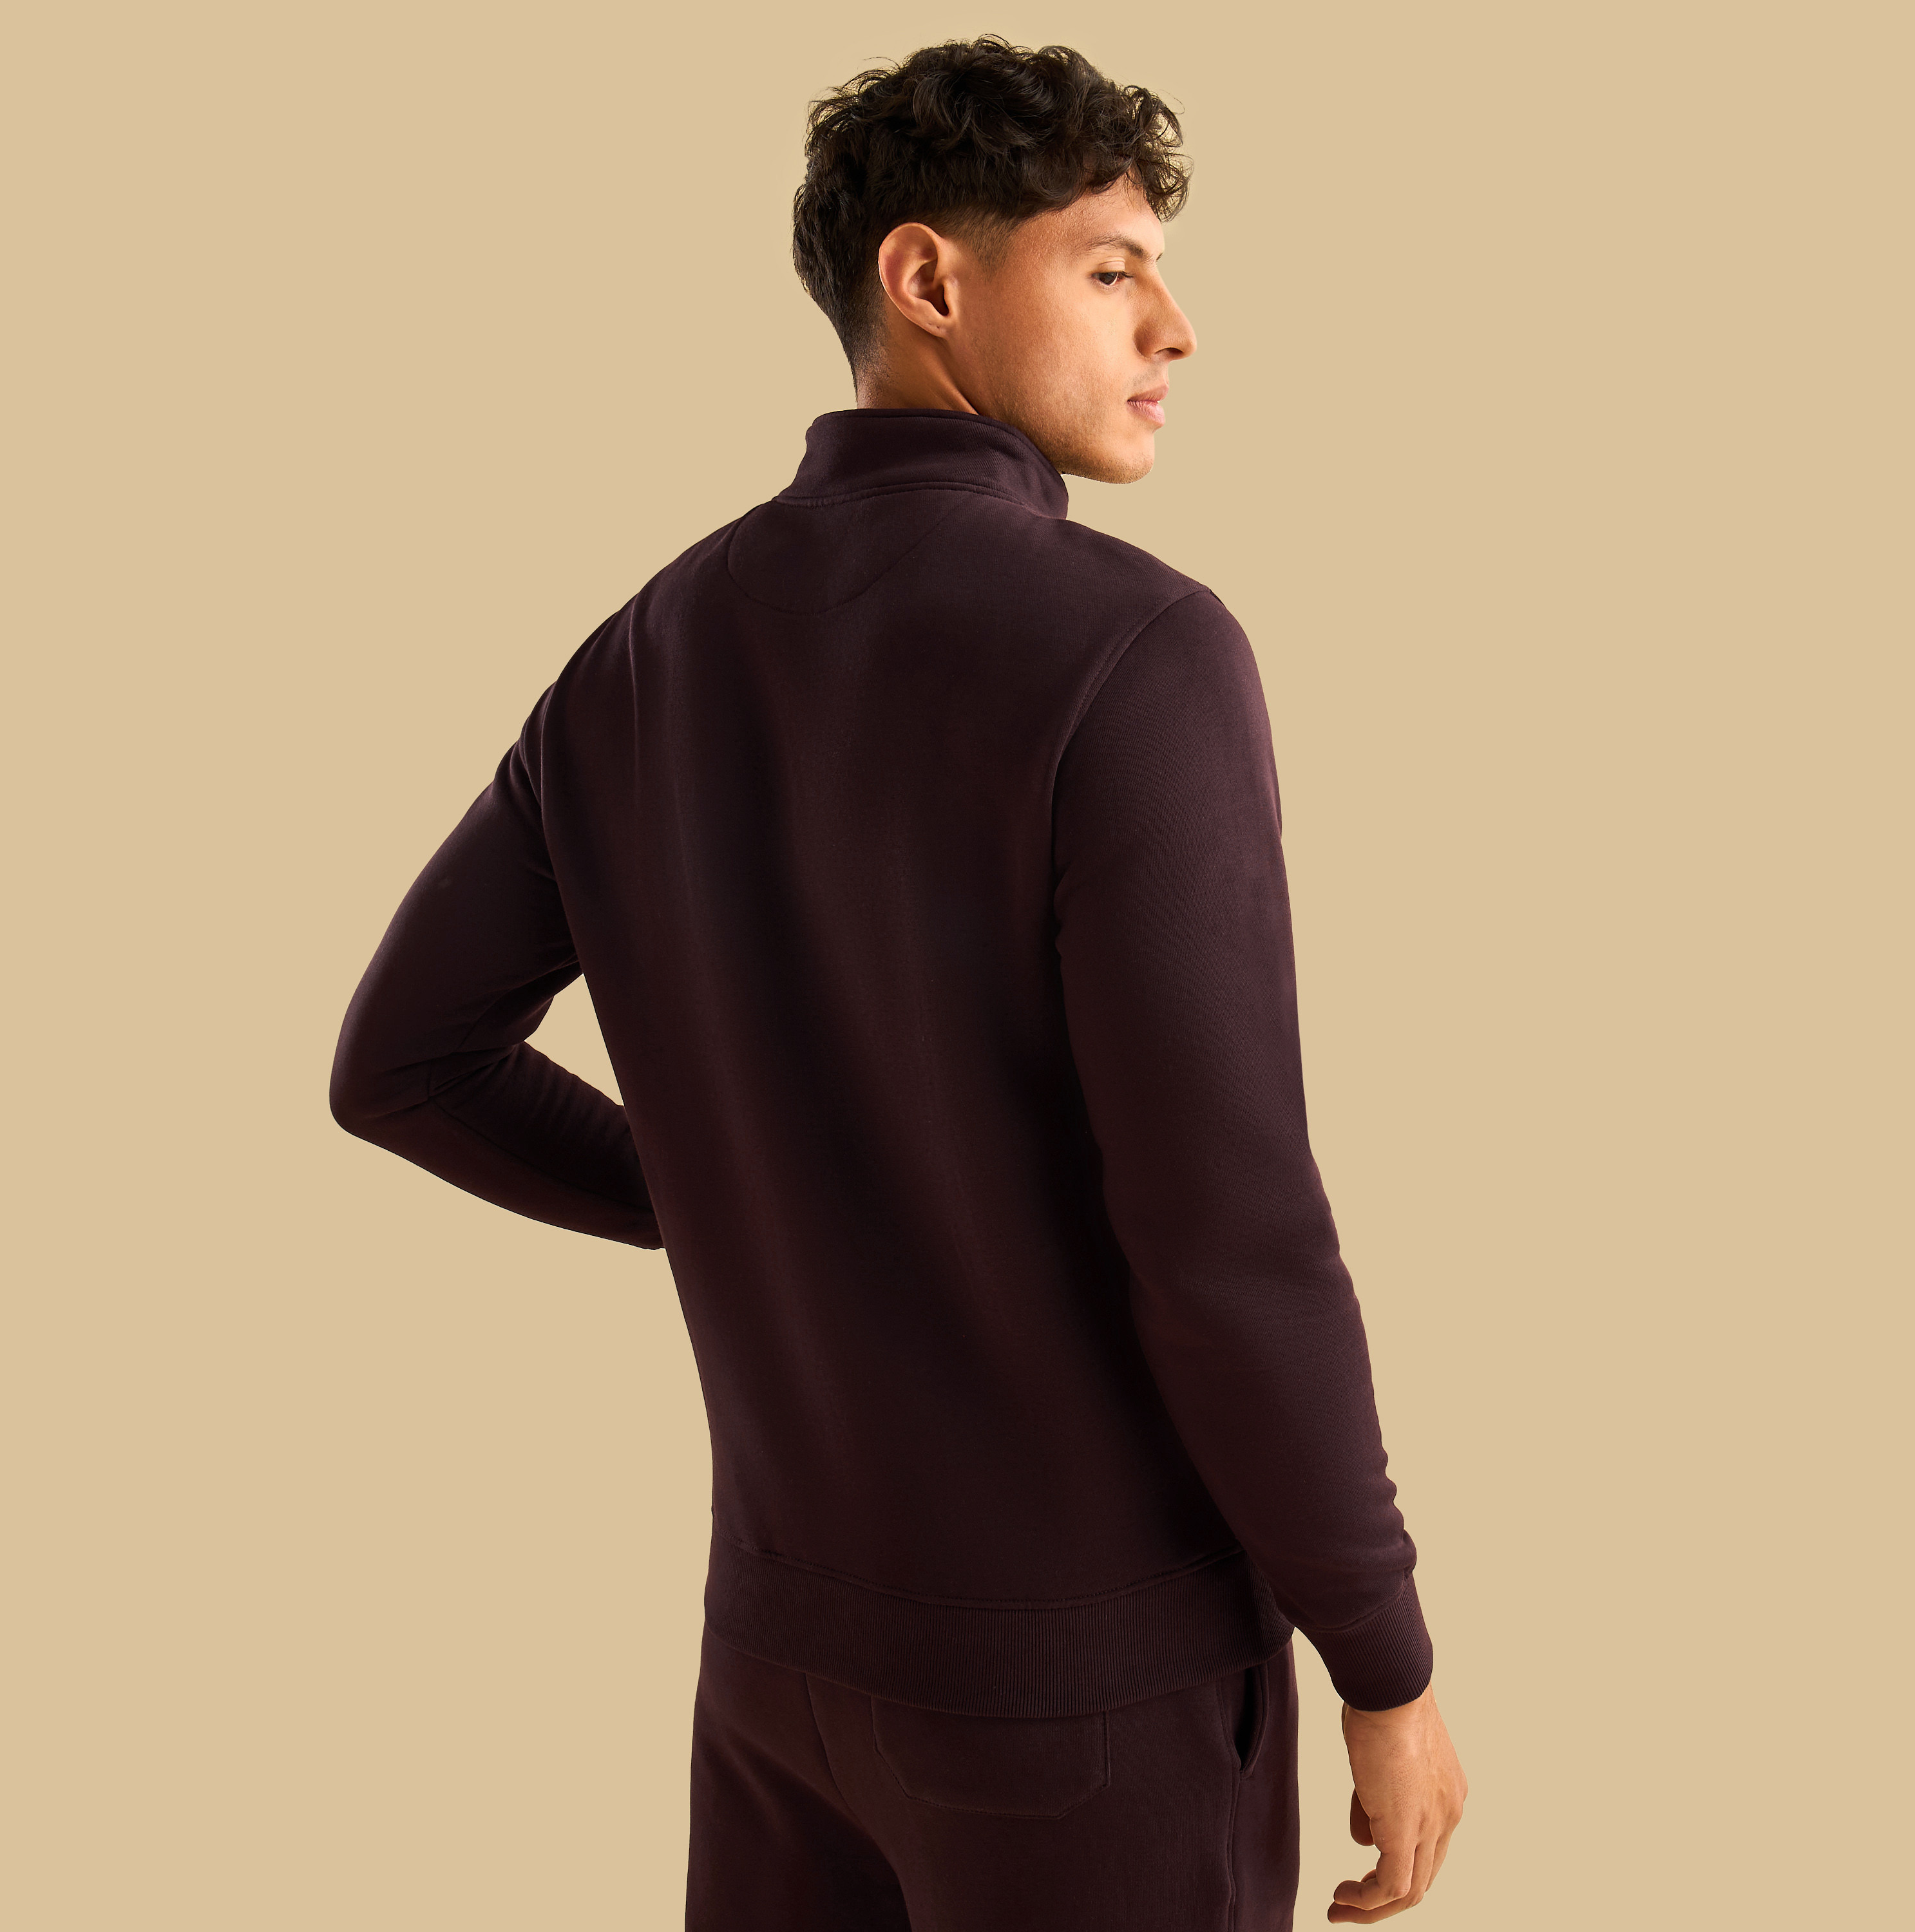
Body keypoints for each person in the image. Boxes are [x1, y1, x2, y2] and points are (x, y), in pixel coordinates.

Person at [329, 32, 1465, 1931]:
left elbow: (404, 1061)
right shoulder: (1139, 652)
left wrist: (743, 1194)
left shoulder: (643, 654)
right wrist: (1386, 1657)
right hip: (1089, 1701)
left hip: (779, 1683)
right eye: (1111, 267)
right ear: (928, 280)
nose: (1175, 327)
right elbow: (1231, 1241)